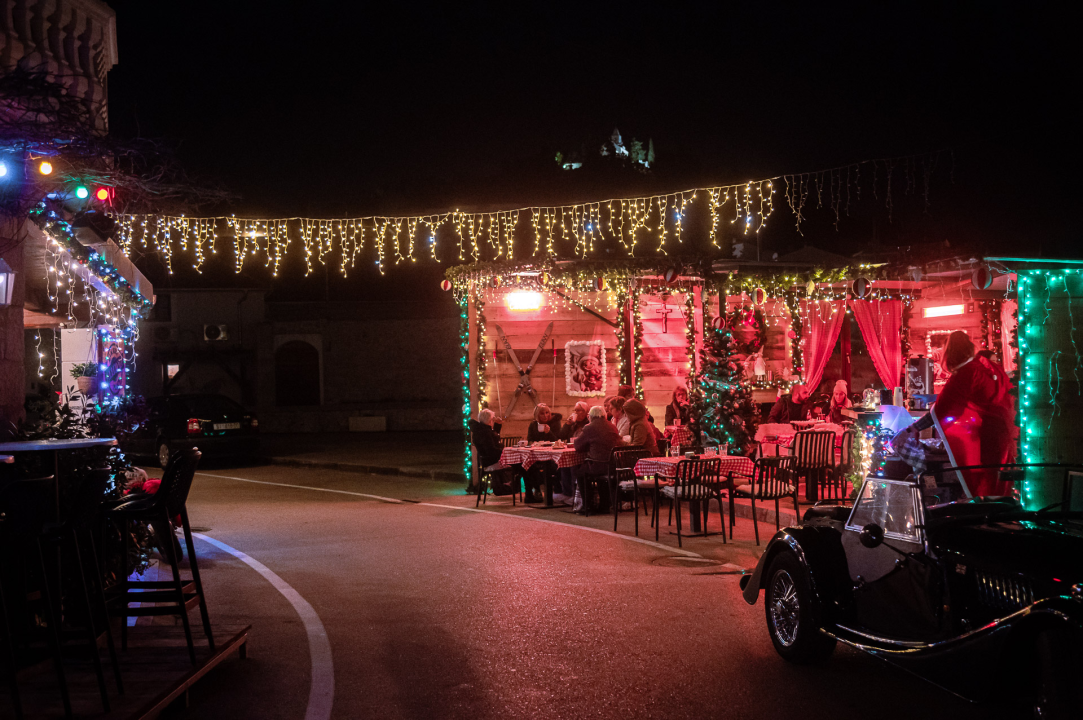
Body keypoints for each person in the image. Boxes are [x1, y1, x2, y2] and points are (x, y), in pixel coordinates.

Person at [893, 331, 1016, 497]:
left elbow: (941, 410)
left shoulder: (967, 373)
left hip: (987, 437)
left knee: (986, 482)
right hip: (1006, 431)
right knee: (999, 481)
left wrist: (912, 429)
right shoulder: (985, 365)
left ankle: (986, 517)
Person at [573, 406, 624, 513]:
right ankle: (604, 505)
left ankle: (588, 505)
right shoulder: (612, 426)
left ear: (590, 416)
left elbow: (578, 446)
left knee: (579, 471)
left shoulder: (589, 427)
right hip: (613, 465)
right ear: (604, 415)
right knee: (601, 476)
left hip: (598, 465)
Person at [467, 409, 515, 495]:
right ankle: (511, 487)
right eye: (493, 419)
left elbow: (493, 437)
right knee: (518, 465)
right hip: (491, 462)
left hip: (489, 461)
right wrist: (505, 452)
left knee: (517, 464)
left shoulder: (481, 430)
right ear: (489, 420)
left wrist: (497, 425)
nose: (493, 420)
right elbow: (491, 450)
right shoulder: (484, 432)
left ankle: (510, 486)